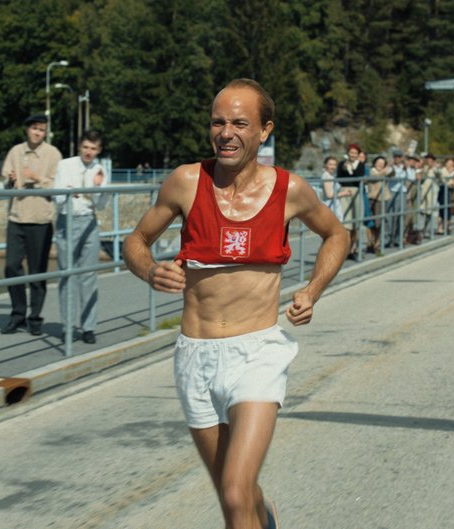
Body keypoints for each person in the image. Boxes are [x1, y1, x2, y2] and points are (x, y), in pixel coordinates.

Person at [123, 79, 348, 529]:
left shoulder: (290, 190)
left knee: (232, 490)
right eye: (218, 122)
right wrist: (149, 269)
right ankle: (264, 519)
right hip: (195, 356)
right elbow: (136, 239)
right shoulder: (187, 182)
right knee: (238, 493)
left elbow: (337, 234)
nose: (226, 132)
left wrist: (311, 290)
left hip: (257, 354)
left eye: (239, 123)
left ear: (264, 131)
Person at [0, 115, 62, 336]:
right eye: (34, 129)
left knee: (37, 272)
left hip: (40, 220)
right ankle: (17, 314)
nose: (37, 133)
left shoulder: (53, 154)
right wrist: (11, 179)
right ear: (27, 130)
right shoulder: (15, 152)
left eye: (42, 130)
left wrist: (37, 178)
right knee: (11, 267)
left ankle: (35, 317)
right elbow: (7, 182)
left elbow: (57, 186)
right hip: (17, 217)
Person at [53, 130, 108, 344]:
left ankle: (88, 327)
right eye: (86, 147)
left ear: (98, 150)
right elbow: (56, 197)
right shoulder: (65, 165)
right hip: (67, 220)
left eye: (93, 149)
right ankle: (67, 327)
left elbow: (101, 205)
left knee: (89, 275)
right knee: (68, 276)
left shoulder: (99, 169)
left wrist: (96, 188)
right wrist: (69, 192)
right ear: (79, 146)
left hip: (89, 221)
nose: (89, 152)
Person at [336, 144, 364, 256]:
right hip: (344, 190)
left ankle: (354, 247)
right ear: (348, 153)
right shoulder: (342, 164)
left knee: (356, 221)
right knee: (346, 221)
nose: (353, 155)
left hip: (356, 191)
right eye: (351, 152)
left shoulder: (360, 165)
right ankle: (346, 249)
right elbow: (338, 177)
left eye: (355, 153)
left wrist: (351, 169)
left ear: (358, 155)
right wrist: (345, 168)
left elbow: (359, 177)